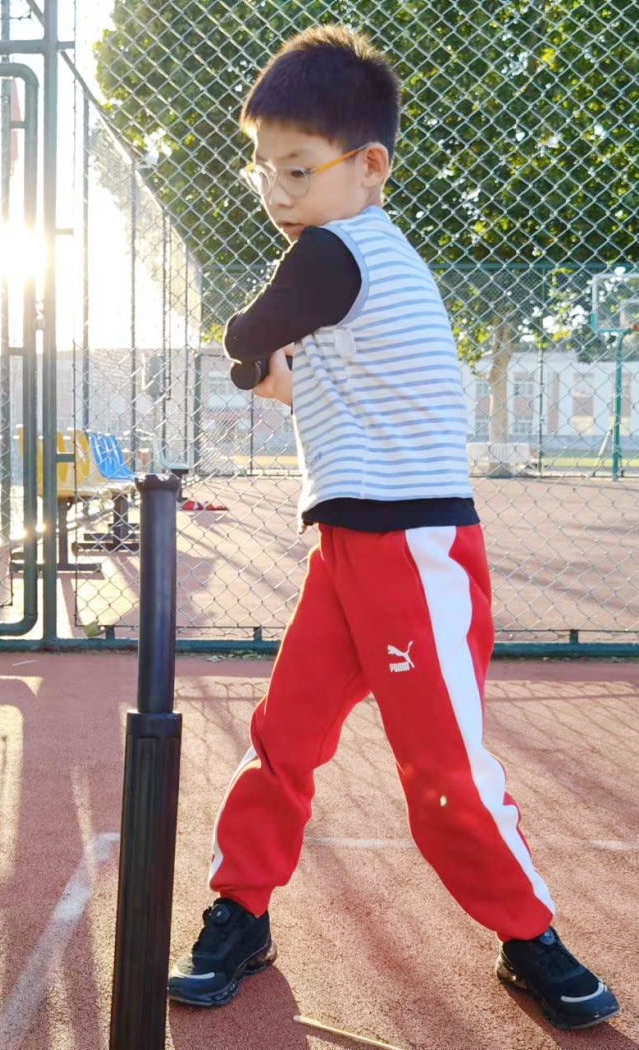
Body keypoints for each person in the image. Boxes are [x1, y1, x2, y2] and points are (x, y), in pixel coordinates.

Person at [167, 25, 619, 1031]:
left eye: (298, 168)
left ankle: (528, 936)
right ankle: (242, 911)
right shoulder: (349, 266)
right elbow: (309, 384)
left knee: (442, 768)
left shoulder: (337, 251)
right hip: (351, 545)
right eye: (261, 168)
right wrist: (267, 372)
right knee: (285, 736)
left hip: (412, 551)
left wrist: (246, 353)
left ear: (369, 168)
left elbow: (250, 335)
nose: (275, 189)